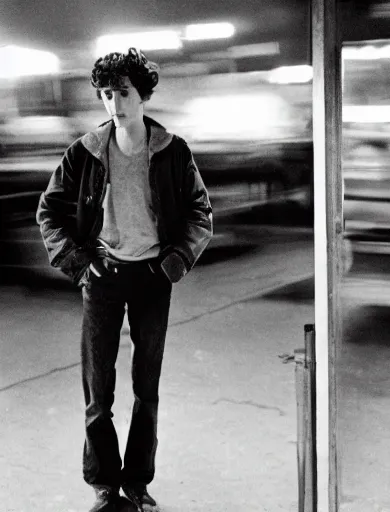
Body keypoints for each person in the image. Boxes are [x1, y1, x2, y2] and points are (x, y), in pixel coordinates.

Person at [37, 47, 213, 512]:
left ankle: (137, 482)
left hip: (153, 278)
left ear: (143, 95)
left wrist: (174, 262)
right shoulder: (86, 152)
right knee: (98, 390)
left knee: (145, 389)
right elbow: (48, 211)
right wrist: (77, 261)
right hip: (103, 278)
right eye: (106, 94)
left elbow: (200, 212)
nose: (114, 103)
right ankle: (103, 485)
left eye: (124, 92)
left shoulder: (173, 151)